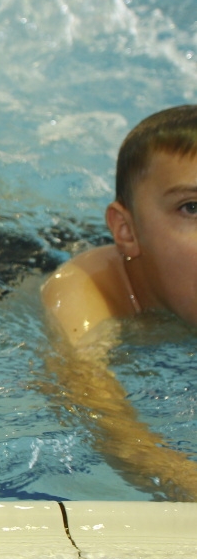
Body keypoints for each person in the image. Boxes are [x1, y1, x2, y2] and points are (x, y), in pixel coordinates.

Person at [40, 105, 197, 498]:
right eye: (192, 208)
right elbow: (109, 424)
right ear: (127, 230)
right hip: (5, 268)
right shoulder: (83, 295)